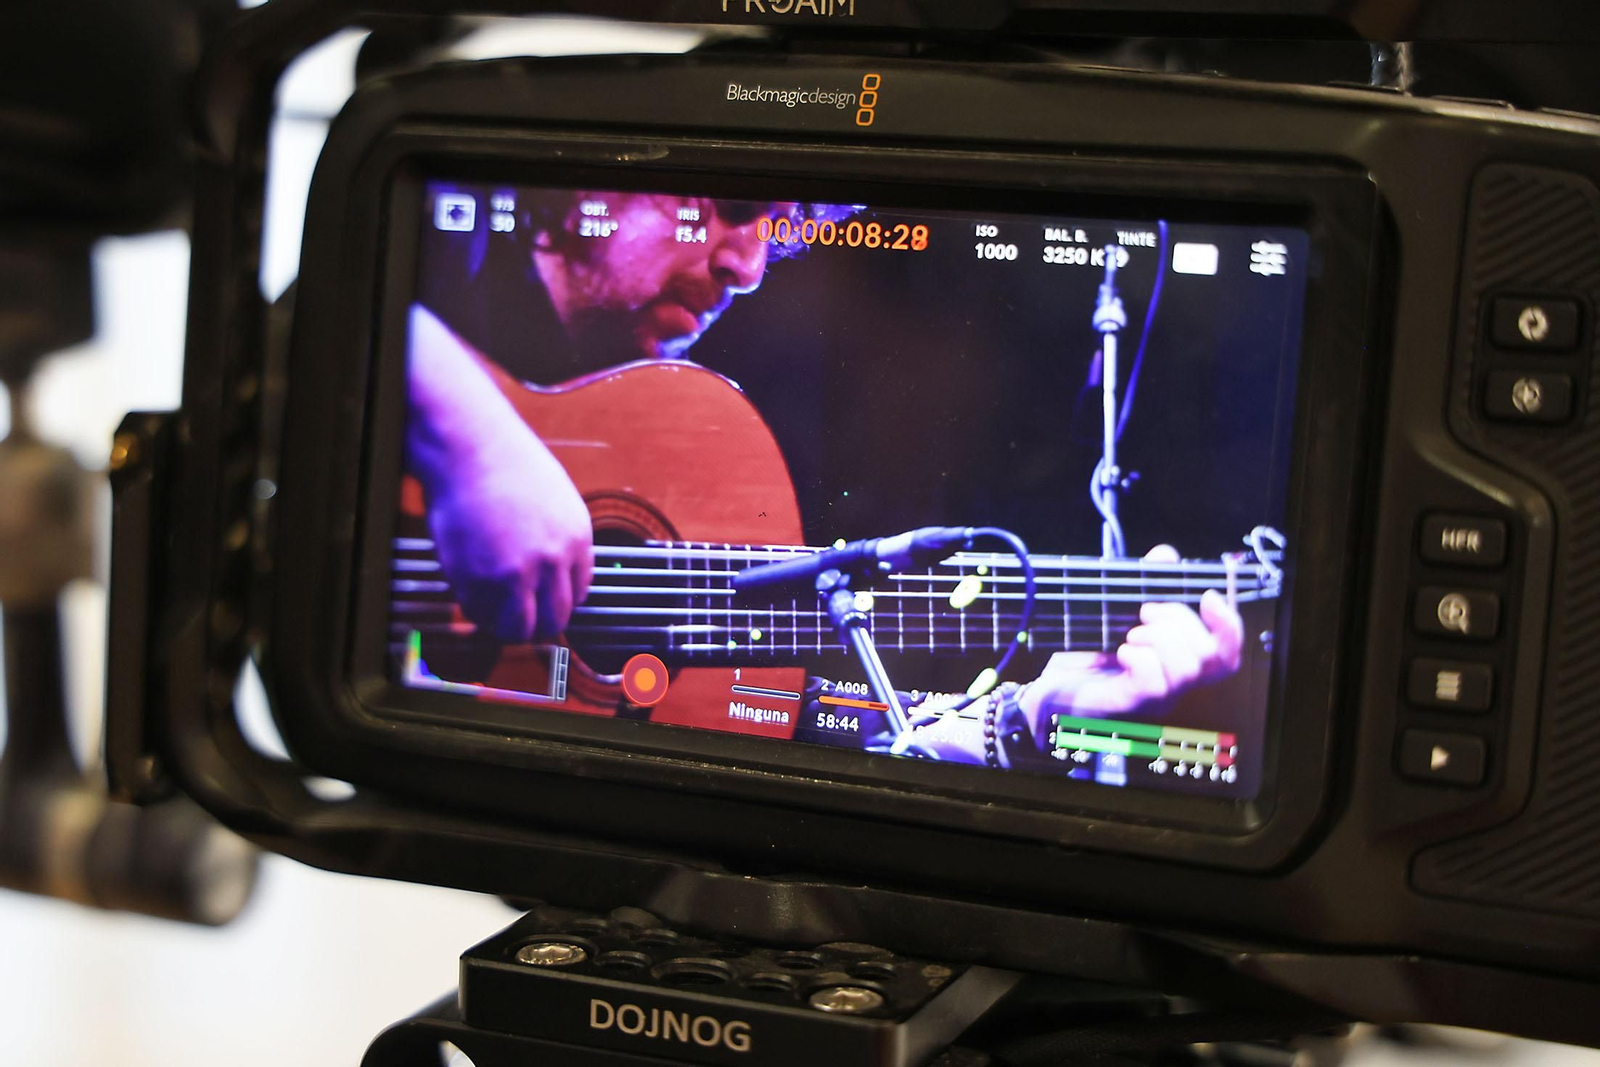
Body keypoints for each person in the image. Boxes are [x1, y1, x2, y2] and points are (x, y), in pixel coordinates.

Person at [406, 187, 1243, 762]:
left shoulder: (654, 432)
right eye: (728, 209)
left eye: (782, 228)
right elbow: (315, 321)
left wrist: (1030, 718)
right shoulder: (446, 259)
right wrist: (467, 438)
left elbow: (817, 727)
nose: (748, 266)